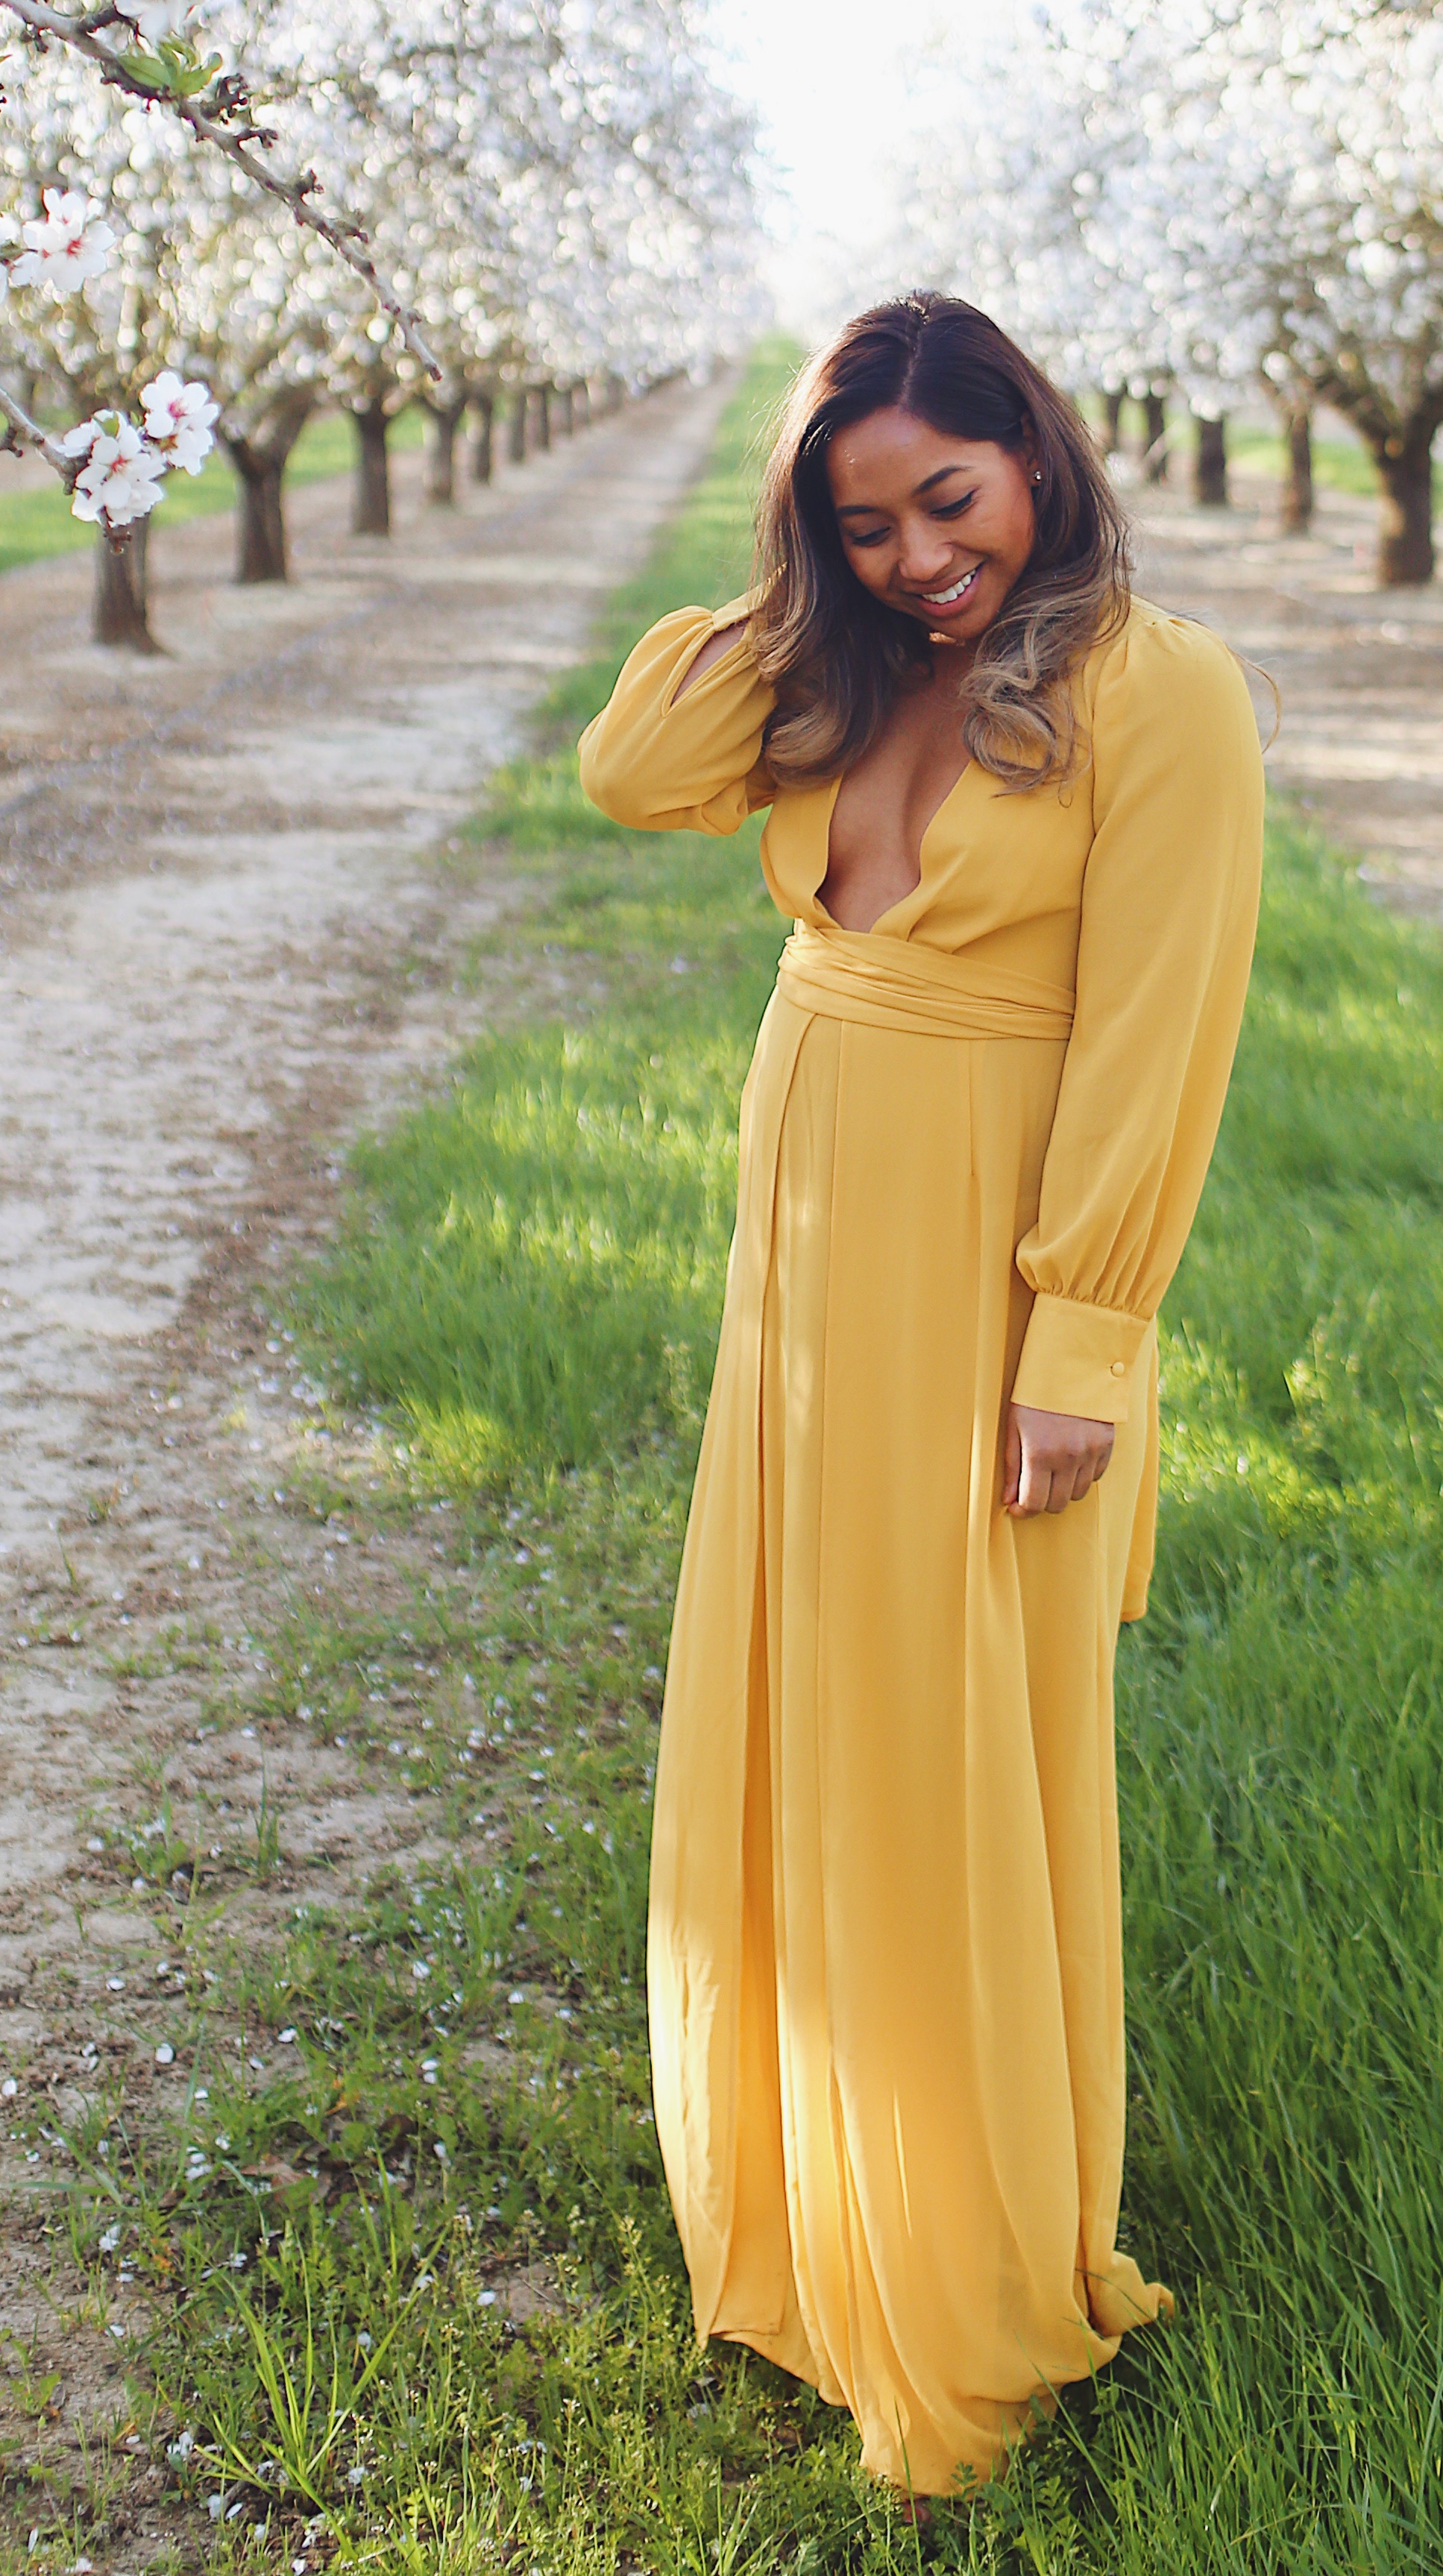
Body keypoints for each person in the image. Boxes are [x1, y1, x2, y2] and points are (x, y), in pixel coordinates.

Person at [577, 291, 1266, 2500]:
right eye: (859, 521)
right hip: (807, 1265)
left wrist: (1085, 1339)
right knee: (801, 1715)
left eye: (943, 502)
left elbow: (1160, 1036)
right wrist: (798, 586)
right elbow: (629, 774)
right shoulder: (846, 667)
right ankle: (799, 2216)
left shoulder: (1159, 696)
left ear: (1039, 459)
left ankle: (956, 2263)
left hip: (986, 1278)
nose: (916, 557)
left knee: (955, 1749)